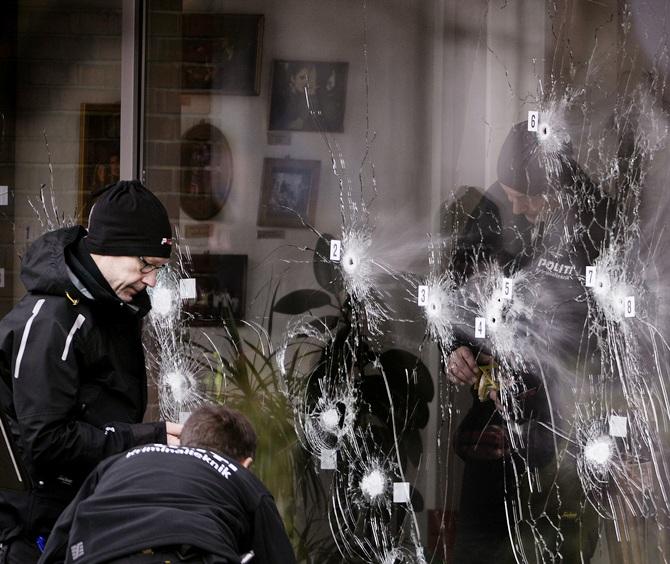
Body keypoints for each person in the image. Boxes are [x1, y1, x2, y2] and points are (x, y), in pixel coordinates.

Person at [445, 122, 609, 563]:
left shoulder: (598, 233)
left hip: (566, 445)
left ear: (556, 184)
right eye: (509, 192)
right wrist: (455, 350)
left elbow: (610, 348)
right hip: (493, 438)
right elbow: (456, 295)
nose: (514, 204)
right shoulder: (492, 214)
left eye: (525, 195)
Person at [0, 180, 183, 563]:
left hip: (79, 510)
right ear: (108, 249)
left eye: (158, 269)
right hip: (34, 529)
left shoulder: (110, 304)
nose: (151, 279)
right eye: (145, 264)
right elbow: (47, 440)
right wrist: (148, 438)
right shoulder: (51, 320)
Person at [38, 404, 297, 564]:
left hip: (98, 554)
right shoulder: (240, 477)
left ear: (184, 443)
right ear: (246, 464)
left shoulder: (118, 463)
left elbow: (57, 545)